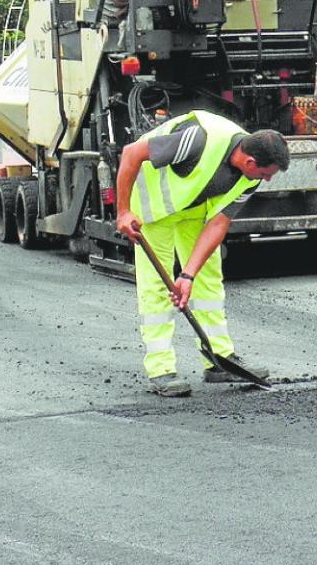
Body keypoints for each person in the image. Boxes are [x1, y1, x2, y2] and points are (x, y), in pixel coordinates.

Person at [115, 109, 290, 397]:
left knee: (208, 279)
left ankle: (217, 360)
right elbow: (132, 153)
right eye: (266, 174)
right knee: (156, 288)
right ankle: (161, 369)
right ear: (250, 161)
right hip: (152, 210)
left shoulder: (251, 176)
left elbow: (219, 223)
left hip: (194, 209)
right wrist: (123, 210)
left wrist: (187, 275)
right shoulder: (199, 139)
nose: (267, 180)